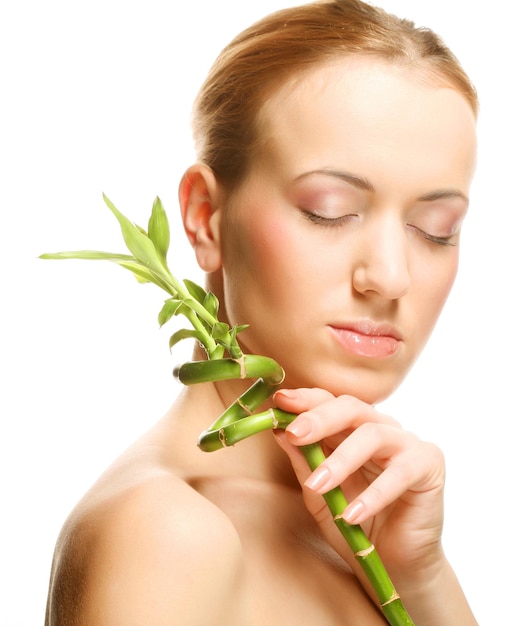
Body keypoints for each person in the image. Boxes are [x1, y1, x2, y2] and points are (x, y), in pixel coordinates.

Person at [45, 1, 479, 624]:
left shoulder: (371, 528)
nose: (390, 275)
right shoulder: (167, 535)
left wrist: (425, 580)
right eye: (329, 209)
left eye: (436, 229)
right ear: (204, 219)